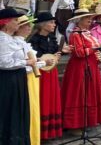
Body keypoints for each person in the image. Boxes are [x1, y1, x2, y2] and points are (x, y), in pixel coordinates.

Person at [61, 9, 101, 132]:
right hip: (79, 67)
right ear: (79, 20)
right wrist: (94, 48)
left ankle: (87, 121)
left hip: (90, 65)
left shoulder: (87, 32)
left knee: (89, 93)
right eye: (87, 18)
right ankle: (76, 124)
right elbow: (79, 53)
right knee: (79, 93)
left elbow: (91, 48)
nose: (90, 20)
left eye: (90, 18)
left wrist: (98, 49)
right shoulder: (75, 34)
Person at [29, 12, 69, 140]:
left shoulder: (52, 37)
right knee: (42, 99)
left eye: (54, 22)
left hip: (52, 72)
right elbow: (33, 59)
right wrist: (44, 60)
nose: (54, 24)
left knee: (52, 99)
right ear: (42, 24)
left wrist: (60, 53)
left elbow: (54, 54)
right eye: (51, 22)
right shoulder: (33, 40)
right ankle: (39, 132)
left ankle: (50, 132)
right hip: (40, 74)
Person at [15, 14, 52, 145]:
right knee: (29, 108)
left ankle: (33, 138)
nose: (29, 28)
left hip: (32, 79)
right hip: (26, 79)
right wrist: (42, 63)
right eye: (26, 26)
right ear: (18, 28)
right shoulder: (16, 44)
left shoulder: (23, 43)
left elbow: (31, 62)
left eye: (29, 25)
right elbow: (23, 65)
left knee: (34, 108)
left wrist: (41, 62)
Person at [0, 8, 34, 145]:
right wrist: (27, 62)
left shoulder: (10, 39)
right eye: (15, 20)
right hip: (8, 81)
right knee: (9, 113)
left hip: (17, 79)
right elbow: (3, 62)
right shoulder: (2, 40)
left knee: (17, 113)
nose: (17, 23)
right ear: (6, 22)